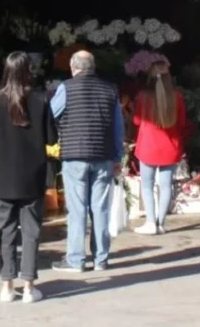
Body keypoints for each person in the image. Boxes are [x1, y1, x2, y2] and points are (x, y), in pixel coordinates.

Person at [0, 52, 57, 303]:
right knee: (31, 231)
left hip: (1, 176)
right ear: (28, 70)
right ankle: (30, 286)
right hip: (32, 176)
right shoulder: (41, 99)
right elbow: (51, 139)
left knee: (6, 231)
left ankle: (7, 285)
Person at [50, 50, 124, 273]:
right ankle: (101, 259)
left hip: (75, 156)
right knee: (100, 208)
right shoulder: (110, 90)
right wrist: (118, 157)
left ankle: (75, 259)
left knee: (77, 209)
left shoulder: (66, 88)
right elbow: (118, 127)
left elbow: (51, 114)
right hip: (103, 156)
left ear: (74, 67)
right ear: (93, 67)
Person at [131, 58, 188, 235]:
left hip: (148, 146)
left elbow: (136, 120)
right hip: (170, 146)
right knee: (166, 186)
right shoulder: (177, 96)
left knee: (147, 185)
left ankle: (150, 222)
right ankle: (161, 223)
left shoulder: (142, 97)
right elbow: (182, 122)